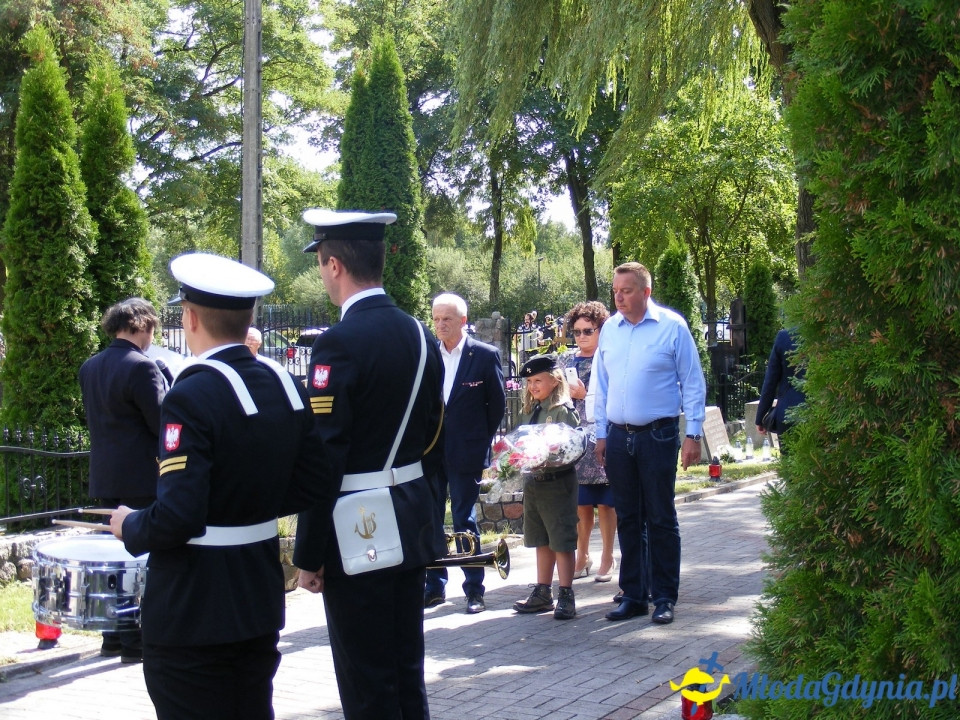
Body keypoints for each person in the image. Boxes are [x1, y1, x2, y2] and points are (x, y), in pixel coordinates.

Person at [109, 253, 331, 720]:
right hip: (257, 596)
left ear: (189, 318)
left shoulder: (192, 393)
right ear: (247, 317)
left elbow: (178, 515)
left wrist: (130, 526)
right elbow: (316, 481)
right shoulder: (286, 384)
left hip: (195, 608)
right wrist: (253, 503)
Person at [293, 208, 446, 720]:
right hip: (409, 511)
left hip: (357, 523)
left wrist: (308, 551)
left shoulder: (338, 342)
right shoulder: (421, 334)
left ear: (334, 265)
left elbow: (325, 454)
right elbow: (432, 437)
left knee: (367, 682)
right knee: (405, 671)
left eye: (321, 264)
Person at [593, 262, 706, 625]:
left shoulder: (672, 327)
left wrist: (694, 433)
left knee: (659, 516)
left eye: (626, 291)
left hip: (658, 434)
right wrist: (599, 433)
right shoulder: (610, 329)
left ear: (645, 292)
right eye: (615, 291)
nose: (619, 297)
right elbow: (602, 384)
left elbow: (692, 381)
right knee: (628, 516)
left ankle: (664, 596)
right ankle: (634, 595)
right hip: (618, 434)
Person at [79, 297, 167, 663]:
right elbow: (163, 424)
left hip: (104, 477)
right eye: (152, 330)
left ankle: (112, 636)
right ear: (141, 325)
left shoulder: (90, 367)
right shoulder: (142, 368)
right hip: (140, 480)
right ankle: (134, 641)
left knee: (113, 562)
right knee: (139, 561)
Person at [424, 293, 506, 614]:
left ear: (462, 320)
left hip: (465, 453)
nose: (440, 325)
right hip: (430, 452)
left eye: (447, 319)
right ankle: (434, 588)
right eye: (436, 319)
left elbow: (496, 407)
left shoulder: (484, 356)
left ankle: (473, 590)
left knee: (463, 520)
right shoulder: (427, 353)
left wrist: (477, 441)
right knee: (429, 521)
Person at [511, 354, 580, 620]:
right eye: (529, 382)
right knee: (541, 539)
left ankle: (566, 593)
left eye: (538, 380)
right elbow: (519, 441)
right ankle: (542, 591)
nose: (533, 386)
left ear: (554, 380)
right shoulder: (529, 410)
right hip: (534, 484)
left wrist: (551, 452)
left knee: (561, 540)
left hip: (557, 483)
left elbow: (573, 446)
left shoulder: (562, 410)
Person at [556, 301, 618, 583]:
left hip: (602, 437)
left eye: (588, 331)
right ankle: (582, 555)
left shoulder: (609, 359)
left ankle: (608, 556)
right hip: (574, 439)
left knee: (606, 503)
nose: (581, 337)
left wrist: (584, 397)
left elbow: (615, 396)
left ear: (600, 330)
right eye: (577, 331)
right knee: (580, 503)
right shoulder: (566, 361)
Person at [756, 327, 805, 447]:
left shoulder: (785, 336)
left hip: (788, 413)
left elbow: (771, 381)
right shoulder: (830, 336)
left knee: (789, 462)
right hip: (821, 412)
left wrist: (760, 417)